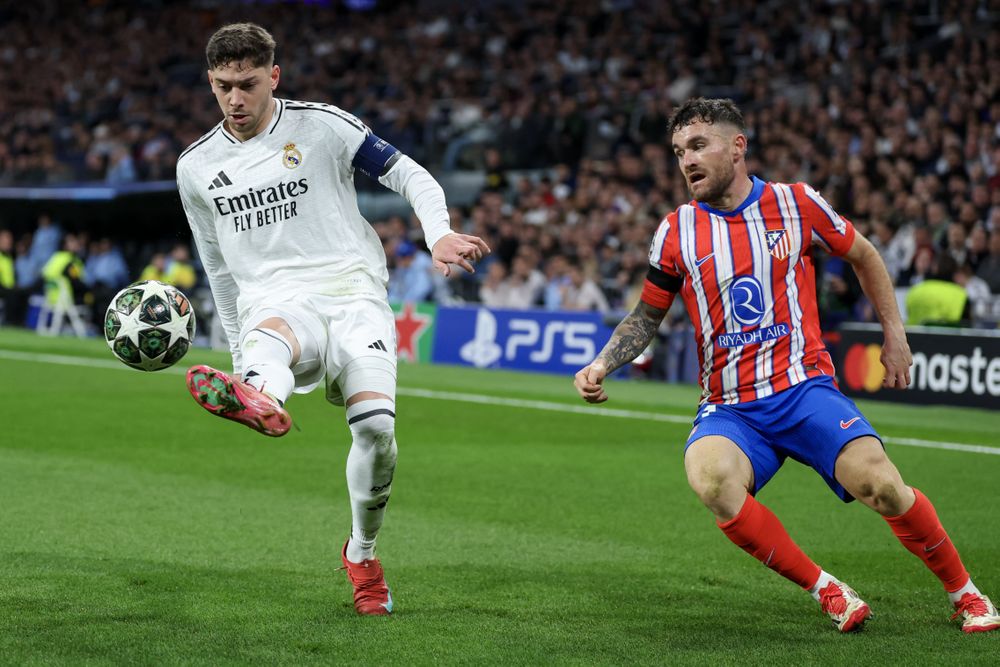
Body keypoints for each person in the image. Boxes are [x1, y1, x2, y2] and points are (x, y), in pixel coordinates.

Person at [573, 98, 999, 634]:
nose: (687, 160)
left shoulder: (796, 204)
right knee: (710, 481)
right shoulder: (675, 230)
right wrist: (602, 362)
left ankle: (966, 594)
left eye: (699, 145)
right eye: (679, 151)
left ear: (737, 146)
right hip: (730, 407)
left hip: (803, 390)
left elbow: (864, 256)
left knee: (883, 487)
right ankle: (827, 589)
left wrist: (895, 335)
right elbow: (646, 313)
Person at [176, 23, 489, 616]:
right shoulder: (196, 165)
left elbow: (408, 173)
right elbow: (216, 263)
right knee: (270, 342)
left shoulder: (323, 124)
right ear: (210, 84)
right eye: (222, 88)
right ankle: (258, 391)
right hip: (275, 297)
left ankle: (362, 553)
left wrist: (439, 232)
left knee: (376, 429)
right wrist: (238, 347)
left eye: (246, 85)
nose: (235, 100)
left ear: (274, 76)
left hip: (353, 291)